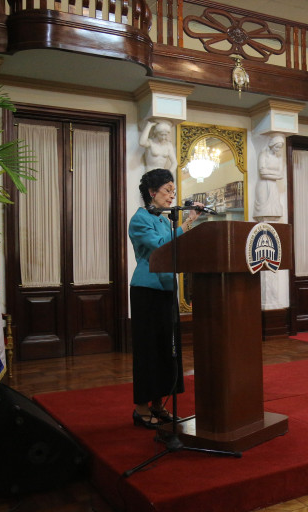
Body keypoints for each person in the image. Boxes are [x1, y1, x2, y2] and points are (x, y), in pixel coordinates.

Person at [128, 168, 203, 428]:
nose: (172, 196)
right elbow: (161, 245)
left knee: (166, 350)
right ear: (152, 192)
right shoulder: (139, 219)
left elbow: (176, 245)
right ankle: (141, 408)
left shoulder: (162, 219)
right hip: (146, 290)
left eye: (173, 191)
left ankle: (158, 405)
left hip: (167, 288)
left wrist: (190, 224)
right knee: (148, 349)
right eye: (167, 190)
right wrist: (186, 224)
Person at [253, 133, 286, 218]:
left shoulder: (279, 158)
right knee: (263, 209)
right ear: (272, 145)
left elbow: (281, 175)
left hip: (273, 186)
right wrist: (275, 174)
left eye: (280, 147)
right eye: (277, 147)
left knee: (275, 210)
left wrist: (268, 172)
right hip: (263, 185)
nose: (278, 149)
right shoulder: (263, 155)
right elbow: (262, 173)